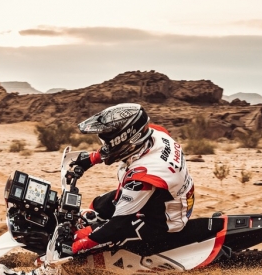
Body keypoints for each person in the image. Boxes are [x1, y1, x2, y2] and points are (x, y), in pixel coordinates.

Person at [64, 103, 195, 255]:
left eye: (107, 143)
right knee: (98, 204)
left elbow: (116, 226)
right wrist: (92, 158)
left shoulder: (143, 176)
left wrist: (75, 247)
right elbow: (117, 146)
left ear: (128, 140)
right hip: (166, 198)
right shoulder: (155, 134)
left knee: (84, 237)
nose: (105, 146)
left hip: (163, 220)